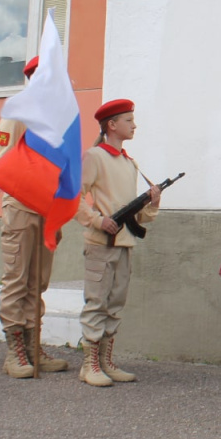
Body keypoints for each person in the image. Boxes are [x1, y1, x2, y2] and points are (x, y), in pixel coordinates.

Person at [0, 56, 69, 378]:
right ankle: (15, 349)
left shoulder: (59, 119)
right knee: (17, 279)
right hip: (22, 207)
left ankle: (32, 341)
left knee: (37, 282)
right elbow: (1, 162)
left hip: (48, 209)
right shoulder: (18, 112)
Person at [74, 99, 160, 387]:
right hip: (101, 243)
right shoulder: (94, 157)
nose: (134, 125)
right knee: (97, 302)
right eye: (128, 120)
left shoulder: (129, 162)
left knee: (115, 304)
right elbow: (73, 197)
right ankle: (89, 365)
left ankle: (107, 362)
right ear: (111, 125)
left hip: (124, 242)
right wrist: (97, 220)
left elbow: (137, 215)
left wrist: (152, 204)